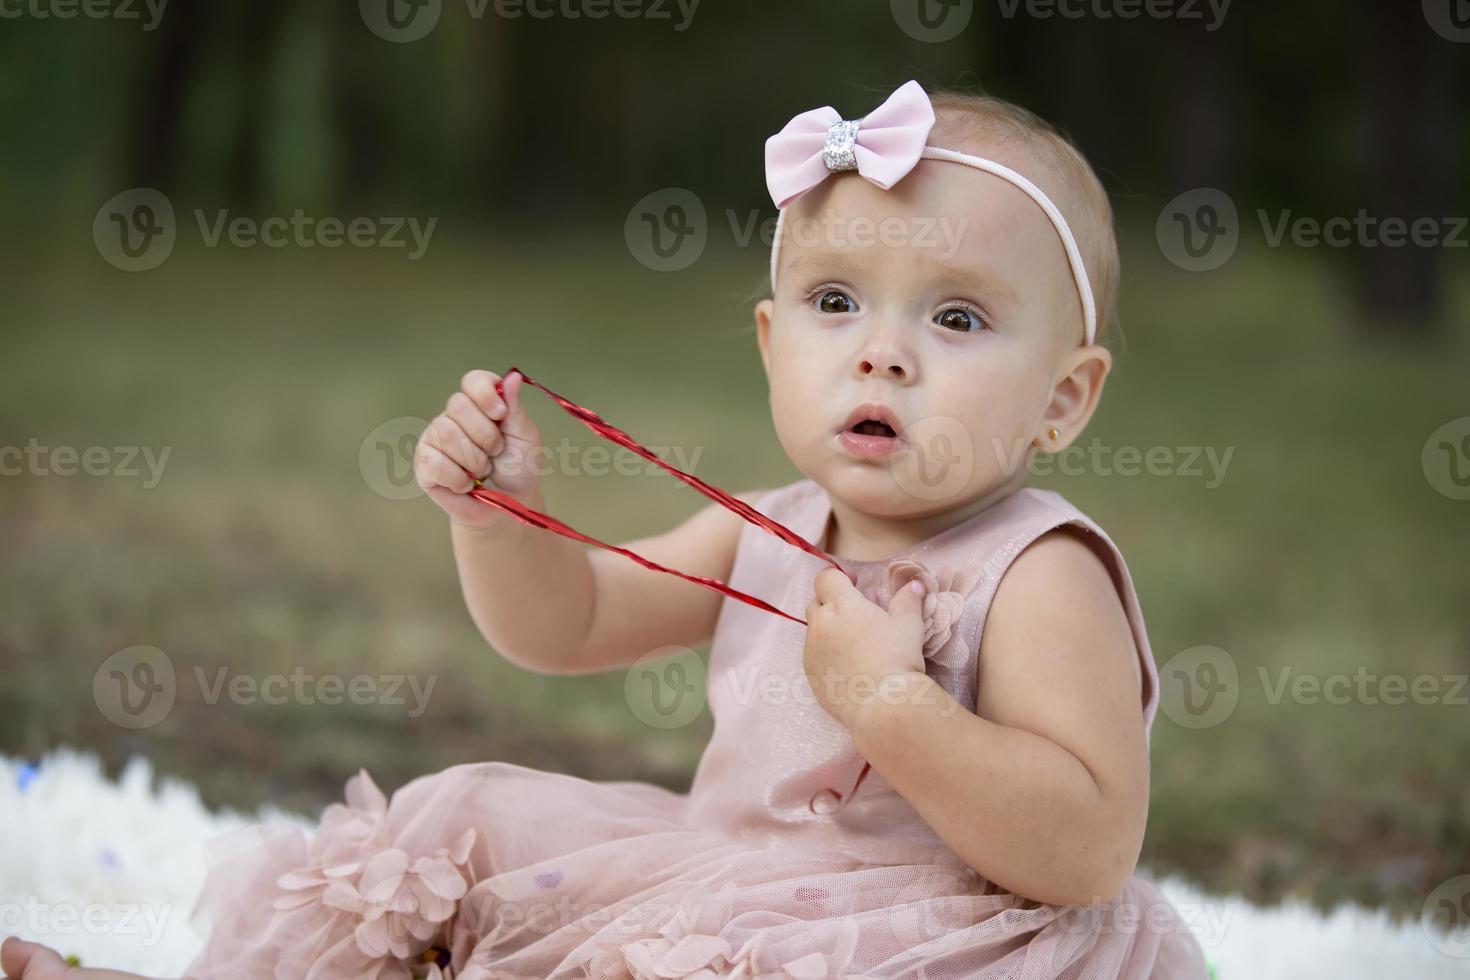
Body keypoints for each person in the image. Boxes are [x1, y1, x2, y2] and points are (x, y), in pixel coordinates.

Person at [3, 79, 1210, 979]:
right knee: (459, 827)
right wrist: (499, 518)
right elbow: (570, 620)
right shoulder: (774, 530)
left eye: (956, 316)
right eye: (834, 301)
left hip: (944, 937)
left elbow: (1088, 846)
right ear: (769, 343)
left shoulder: (1039, 571)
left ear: (1065, 397)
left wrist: (894, 705)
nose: (881, 349)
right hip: (723, 878)